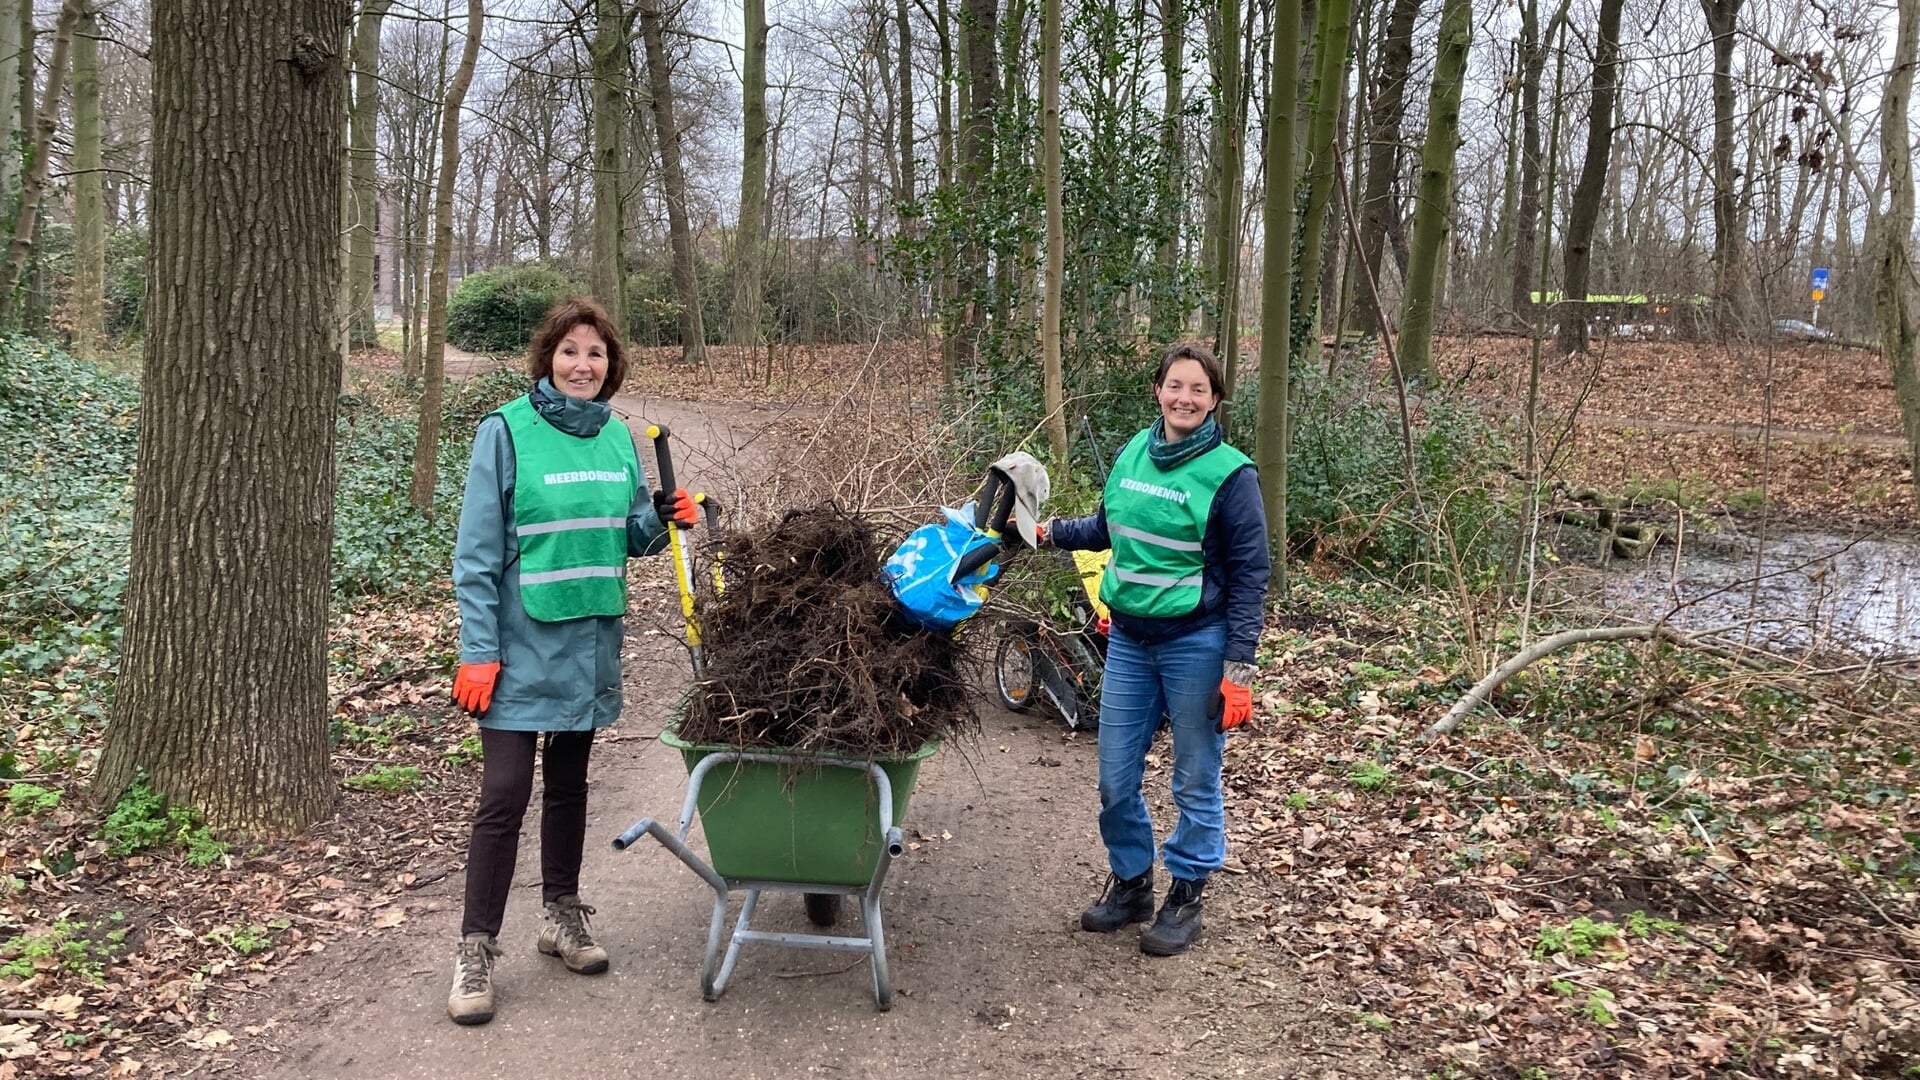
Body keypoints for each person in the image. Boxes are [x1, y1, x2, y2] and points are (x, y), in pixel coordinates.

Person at [445, 298, 698, 1025]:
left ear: (610, 366)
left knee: (568, 785)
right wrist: (479, 651)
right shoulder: (506, 432)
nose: (583, 364)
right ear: (546, 360)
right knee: (503, 796)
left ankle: (561, 915)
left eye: (595, 354)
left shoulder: (619, 438)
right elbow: (476, 555)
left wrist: (661, 519)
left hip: (588, 641)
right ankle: (475, 948)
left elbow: (627, 539)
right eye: (569, 352)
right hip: (517, 649)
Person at [1041, 341, 1270, 957]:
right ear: (1158, 391)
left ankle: (1187, 893)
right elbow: (1104, 530)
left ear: (1215, 399)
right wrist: (1043, 533)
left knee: (1195, 778)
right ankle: (1132, 883)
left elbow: (1251, 576)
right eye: (1175, 386)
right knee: (1114, 777)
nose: (1185, 398)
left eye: (1198, 389)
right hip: (1130, 642)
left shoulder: (1232, 475)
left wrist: (1239, 670)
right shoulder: (1133, 454)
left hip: (1196, 641)